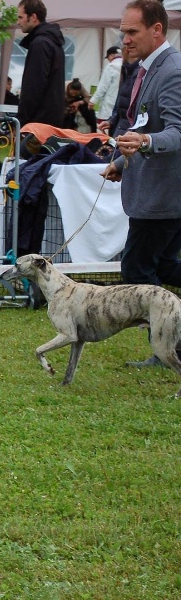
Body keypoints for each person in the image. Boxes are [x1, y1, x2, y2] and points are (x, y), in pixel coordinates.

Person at [101, 0, 181, 368]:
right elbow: (145, 123)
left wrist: (145, 143)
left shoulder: (172, 70)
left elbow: (176, 132)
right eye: (123, 32)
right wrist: (121, 161)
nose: (125, 39)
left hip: (163, 195)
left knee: (137, 272)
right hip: (153, 189)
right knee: (164, 267)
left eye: (132, 32)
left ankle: (169, 352)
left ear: (157, 30)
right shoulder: (147, 68)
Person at [16, 0, 65, 126]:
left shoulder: (41, 44)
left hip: (39, 122)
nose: (18, 22)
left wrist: (21, 120)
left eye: (21, 17)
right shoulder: (52, 41)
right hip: (50, 119)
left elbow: (34, 86)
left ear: (33, 17)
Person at [101, 44, 141, 138]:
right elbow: (121, 104)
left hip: (128, 132)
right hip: (122, 128)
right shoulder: (127, 72)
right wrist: (112, 121)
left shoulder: (137, 74)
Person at [90, 46, 122, 123]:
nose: (108, 60)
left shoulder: (110, 67)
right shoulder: (127, 65)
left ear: (111, 55)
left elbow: (103, 87)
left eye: (108, 58)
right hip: (122, 102)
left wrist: (93, 101)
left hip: (109, 103)